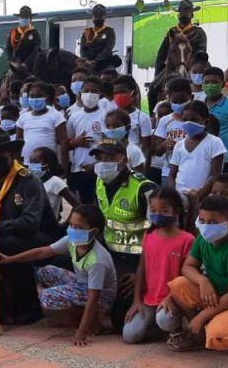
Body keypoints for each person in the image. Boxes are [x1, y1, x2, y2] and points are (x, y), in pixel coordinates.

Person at [158, 194, 228, 359]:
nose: (205, 226)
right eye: (202, 221)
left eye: (212, 222)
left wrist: (201, 317)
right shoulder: (203, 240)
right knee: (179, 284)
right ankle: (199, 335)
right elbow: (188, 267)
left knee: (218, 337)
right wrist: (202, 280)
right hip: (220, 293)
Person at [0, 205, 117, 346]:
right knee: (46, 271)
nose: (73, 229)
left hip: (100, 299)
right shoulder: (72, 241)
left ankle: (93, 318)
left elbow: (94, 296)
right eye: (71, 225)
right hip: (82, 284)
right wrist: (10, 259)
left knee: (47, 296)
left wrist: (82, 332)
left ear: (94, 231)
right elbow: (43, 252)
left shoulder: (97, 260)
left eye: (79, 227)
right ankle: (78, 309)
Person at [0, 127, 52, 325]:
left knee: (9, 244)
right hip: (1, 234)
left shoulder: (28, 180)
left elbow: (30, 223)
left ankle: (29, 306)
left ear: (11, 154)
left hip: (39, 236)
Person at [88, 140, 157, 330]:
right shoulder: (99, 182)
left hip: (137, 260)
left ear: (124, 160)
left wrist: (140, 273)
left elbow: (159, 233)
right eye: (99, 158)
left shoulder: (143, 188)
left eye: (110, 158)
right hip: (110, 254)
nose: (103, 163)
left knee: (121, 323)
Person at [122, 187, 193, 344]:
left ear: (176, 212)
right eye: (153, 210)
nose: (158, 215)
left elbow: (186, 275)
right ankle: (155, 327)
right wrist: (136, 301)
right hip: (148, 300)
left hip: (172, 298)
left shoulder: (186, 240)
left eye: (164, 210)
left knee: (165, 320)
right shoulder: (149, 235)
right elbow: (141, 268)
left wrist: (170, 297)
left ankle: (176, 328)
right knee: (129, 335)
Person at [166, 101, 226, 222]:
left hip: (202, 196)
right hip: (180, 196)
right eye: (185, 119)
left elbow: (215, 175)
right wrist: (174, 195)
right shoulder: (179, 145)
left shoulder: (214, 142)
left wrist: (200, 195)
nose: (189, 123)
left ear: (205, 121)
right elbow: (172, 174)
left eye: (194, 119)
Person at [151, 0, 207, 110]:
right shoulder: (172, 32)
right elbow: (161, 53)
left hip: (193, 65)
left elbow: (202, 50)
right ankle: (153, 114)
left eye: (187, 11)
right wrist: (157, 74)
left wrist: (194, 64)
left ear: (192, 14)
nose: (184, 14)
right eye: (181, 11)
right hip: (173, 66)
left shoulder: (198, 32)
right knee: (153, 88)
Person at [28, 147, 80, 228]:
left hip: (47, 230)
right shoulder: (30, 181)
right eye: (30, 162)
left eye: (36, 162)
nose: (31, 166)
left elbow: (77, 204)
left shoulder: (55, 182)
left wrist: (65, 225)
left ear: (47, 163)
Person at [18, 82, 67, 166]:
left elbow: (63, 144)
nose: (35, 99)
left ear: (46, 98)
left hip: (48, 165)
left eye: (39, 96)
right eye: (32, 96)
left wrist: (64, 168)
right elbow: (18, 144)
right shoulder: (23, 117)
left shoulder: (56, 116)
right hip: (27, 164)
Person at [112, 75, 153, 171]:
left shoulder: (142, 117)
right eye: (115, 93)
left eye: (122, 92)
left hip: (134, 165)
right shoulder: (110, 116)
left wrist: (143, 170)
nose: (118, 95)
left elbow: (146, 148)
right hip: (114, 165)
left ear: (133, 93)